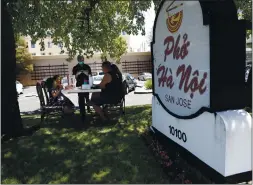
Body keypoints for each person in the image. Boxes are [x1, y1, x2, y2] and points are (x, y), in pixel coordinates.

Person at [72, 55, 92, 122]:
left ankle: (88, 108)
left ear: (84, 59)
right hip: (79, 84)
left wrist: (86, 73)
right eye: (80, 60)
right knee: (81, 98)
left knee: (87, 96)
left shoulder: (87, 66)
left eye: (82, 59)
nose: (81, 61)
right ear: (78, 60)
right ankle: (82, 113)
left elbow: (90, 75)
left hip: (86, 82)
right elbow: (74, 76)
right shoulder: (75, 67)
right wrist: (77, 74)